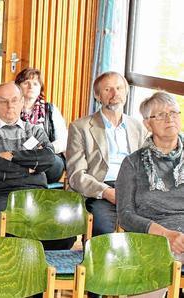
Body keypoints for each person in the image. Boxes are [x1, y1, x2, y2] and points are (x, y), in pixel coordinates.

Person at [115, 92, 182, 298]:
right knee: (153, 269)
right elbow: (125, 215)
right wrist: (165, 235)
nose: (169, 118)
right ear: (147, 124)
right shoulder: (133, 163)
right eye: (160, 115)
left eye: (173, 113)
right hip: (152, 237)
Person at [66, 71, 147, 236]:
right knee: (104, 232)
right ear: (98, 96)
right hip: (100, 191)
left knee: (155, 229)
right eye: (108, 89)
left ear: (126, 92)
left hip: (134, 190)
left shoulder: (138, 127)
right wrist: (107, 192)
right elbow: (76, 176)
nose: (115, 94)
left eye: (119, 88)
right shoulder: (80, 127)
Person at [0, 82, 55, 237]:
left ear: (22, 102)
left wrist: (11, 156)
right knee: (4, 224)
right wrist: (29, 168)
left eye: (15, 100)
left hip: (37, 192)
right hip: (0, 193)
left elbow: (49, 158)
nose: (10, 106)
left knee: (63, 225)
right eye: (3, 101)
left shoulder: (35, 130)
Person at [15, 68, 68, 183]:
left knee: (52, 163)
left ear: (40, 88)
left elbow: (63, 141)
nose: (31, 87)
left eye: (35, 83)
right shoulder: (11, 109)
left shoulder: (51, 109)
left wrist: (46, 150)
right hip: (21, 156)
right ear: (18, 87)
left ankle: (29, 180)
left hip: (48, 158)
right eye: (26, 83)